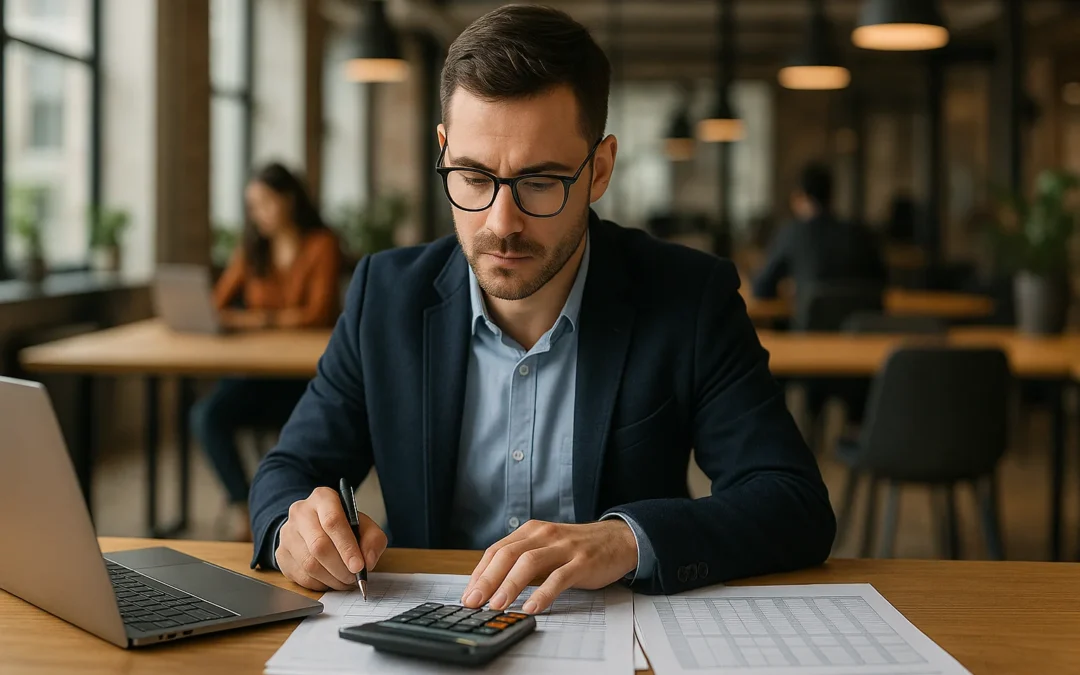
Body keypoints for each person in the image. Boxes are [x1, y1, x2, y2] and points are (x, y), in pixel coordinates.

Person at [249, 6, 834, 613]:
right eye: (474, 177)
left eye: (540, 182)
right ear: (444, 151)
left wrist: (626, 539)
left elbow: (792, 501)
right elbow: (289, 470)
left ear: (599, 170)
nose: (502, 223)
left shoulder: (689, 297)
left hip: (620, 629)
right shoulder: (387, 296)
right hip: (430, 632)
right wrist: (293, 529)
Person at [191, 163, 341, 541]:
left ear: (288, 199)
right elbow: (216, 304)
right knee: (206, 416)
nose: (258, 213)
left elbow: (318, 313)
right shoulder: (253, 248)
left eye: (265, 203)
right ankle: (243, 506)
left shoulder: (320, 244)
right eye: (252, 206)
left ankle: (310, 517)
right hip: (257, 372)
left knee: (309, 434)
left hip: (304, 376)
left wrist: (257, 319)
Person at [752, 163, 886, 300]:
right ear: (831, 195)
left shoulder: (792, 234)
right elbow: (882, 282)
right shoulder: (861, 233)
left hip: (811, 314)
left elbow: (761, 287)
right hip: (861, 314)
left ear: (800, 196)